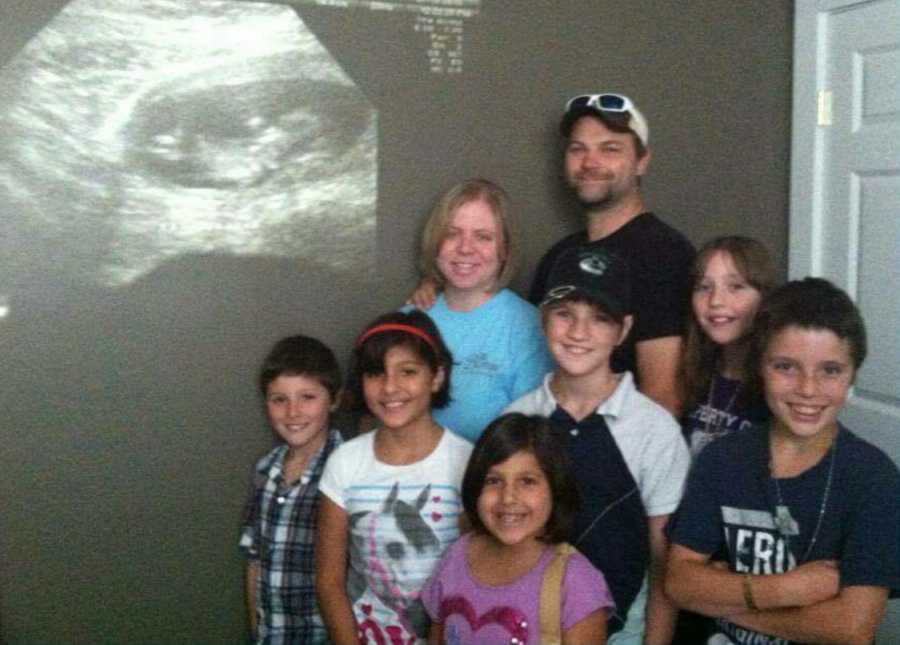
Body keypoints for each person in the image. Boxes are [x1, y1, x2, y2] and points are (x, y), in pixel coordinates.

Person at [665, 277, 900, 645]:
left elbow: (852, 627)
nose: (808, 389)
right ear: (760, 366)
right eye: (786, 367)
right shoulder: (723, 458)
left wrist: (722, 598)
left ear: (853, 372)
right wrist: (786, 590)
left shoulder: (873, 479)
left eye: (830, 370)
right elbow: (679, 584)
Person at [505, 245, 690, 645]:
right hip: (523, 628)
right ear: (543, 319)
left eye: (599, 319)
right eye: (564, 314)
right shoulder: (516, 419)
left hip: (622, 633)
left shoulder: (655, 432)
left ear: (623, 330)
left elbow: (664, 563)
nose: (578, 333)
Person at [529, 93, 695, 415]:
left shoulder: (664, 254)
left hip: (617, 456)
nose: (590, 162)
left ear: (642, 161)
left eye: (610, 149)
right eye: (578, 149)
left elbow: (663, 396)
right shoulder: (559, 257)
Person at [316, 310, 473, 645]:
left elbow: (473, 575)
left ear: (436, 376)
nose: (390, 387)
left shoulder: (466, 462)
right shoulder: (345, 463)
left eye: (408, 371)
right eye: (376, 373)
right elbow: (329, 580)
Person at [422, 412, 613, 645]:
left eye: (527, 481)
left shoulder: (576, 583)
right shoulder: (456, 556)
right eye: (493, 481)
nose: (508, 497)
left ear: (556, 488)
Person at [413, 178, 554, 442]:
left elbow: (532, 438)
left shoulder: (530, 327)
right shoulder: (411, 318)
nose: (465, 248)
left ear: (505, 250)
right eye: (452, 234)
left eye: (483, 237)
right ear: (435, 243)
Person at [239, 335, 344, 645]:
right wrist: (257, 630)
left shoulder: (347, 470)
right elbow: (254, 559)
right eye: (279, 399)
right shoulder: (264, 469)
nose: (293, 412)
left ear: (334, 399)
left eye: (307, 397)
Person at [681, 236, 777, 457]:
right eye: (704, 287)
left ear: (765, 297)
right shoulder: (690, 370)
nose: (715, 301)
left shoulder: (777, 384)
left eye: (735, 287)